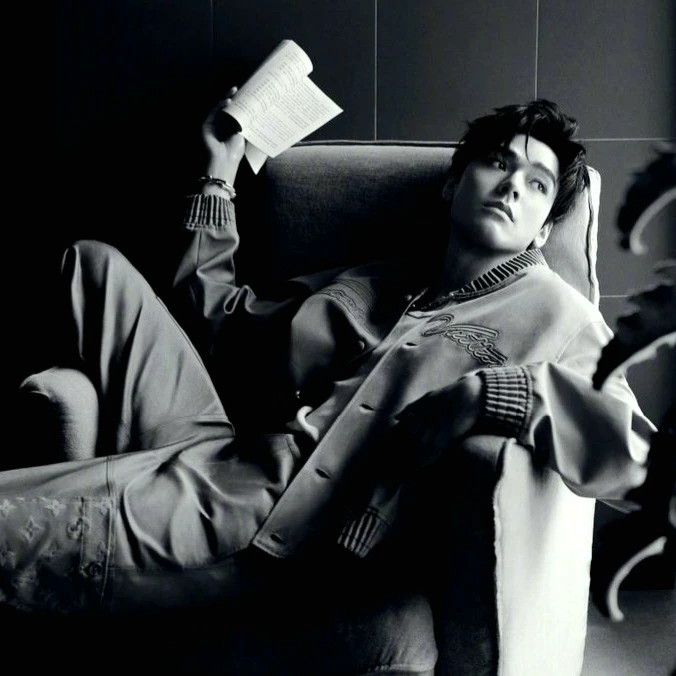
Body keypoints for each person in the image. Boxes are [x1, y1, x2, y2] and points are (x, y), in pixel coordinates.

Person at [1, 94, 654, 618]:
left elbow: (639, 464)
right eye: (498, 163)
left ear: (544, 229)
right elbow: (226, 324)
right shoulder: (381, 279)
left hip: (273, 518)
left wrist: (497, 392)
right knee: (93, 262)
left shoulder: (562, 316)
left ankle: (135, 517)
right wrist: (219, 175)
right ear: (453, 184)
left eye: (537, 185)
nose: (512, 186)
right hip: (229, 450)